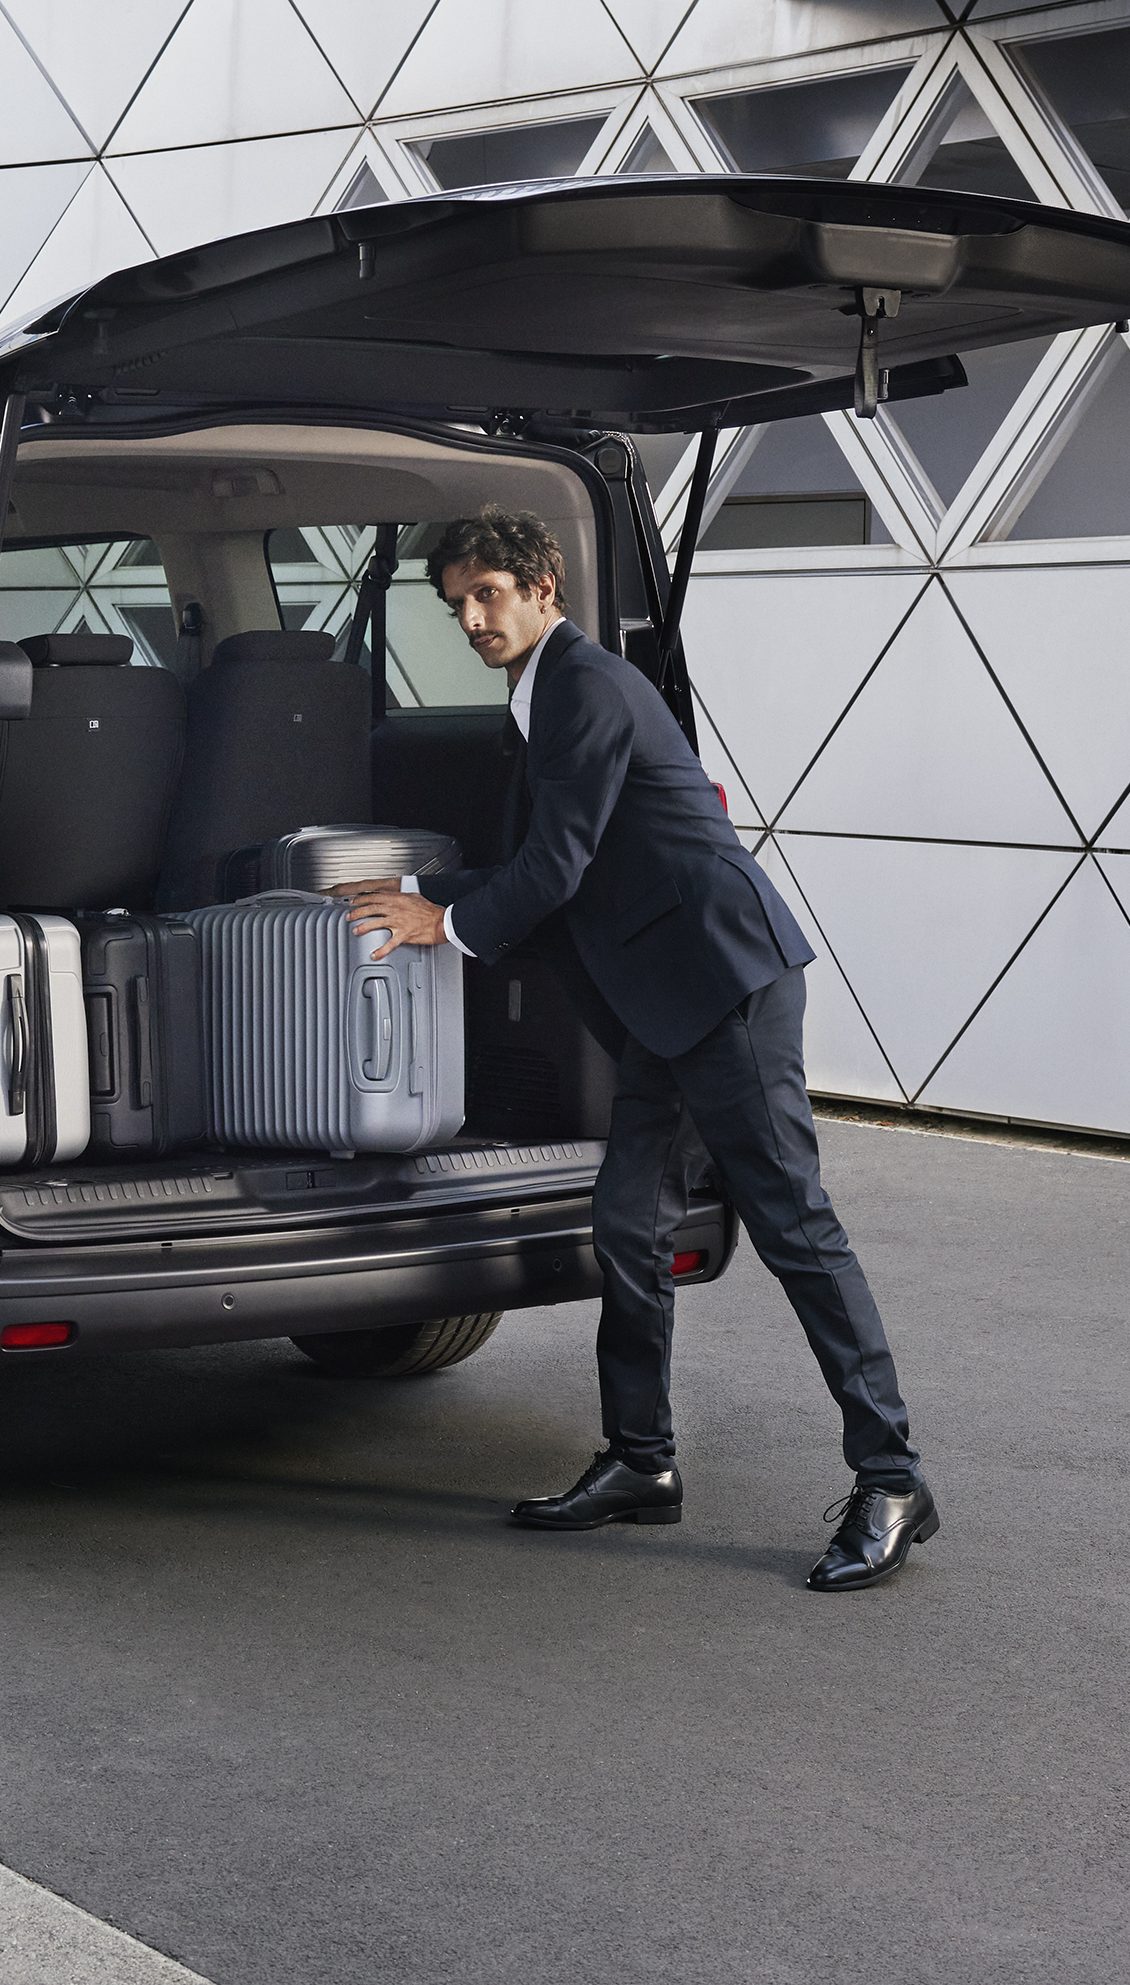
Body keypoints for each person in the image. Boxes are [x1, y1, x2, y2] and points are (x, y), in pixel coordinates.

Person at [339, 507, 932, 1595]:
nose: (471, 619)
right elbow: (555, 859)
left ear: (542, 589)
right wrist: (414, 886)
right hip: (665, 1001)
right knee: (626, 1221)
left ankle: (892, 1479)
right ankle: (641, 1461)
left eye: (487, 595)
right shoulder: (544, 692)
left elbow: (554, 867)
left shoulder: (585, 688)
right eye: (457, 603)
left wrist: (445, 923)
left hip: (723, 984)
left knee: (796, 1228)